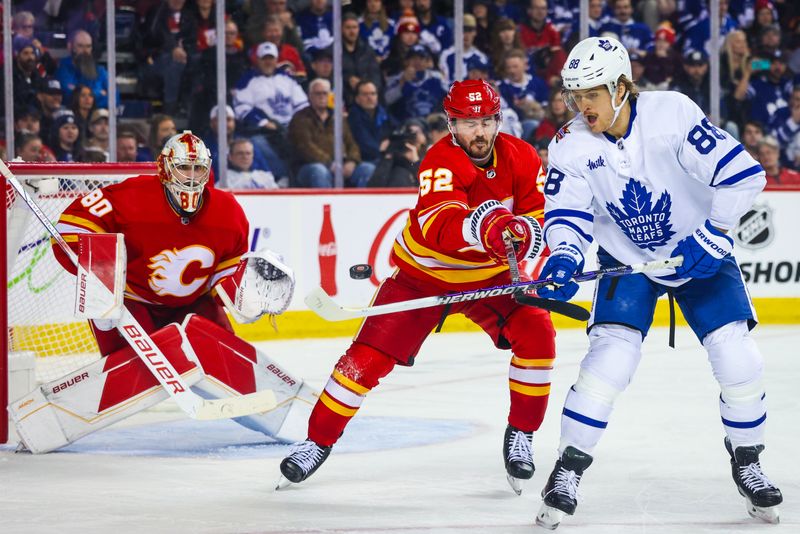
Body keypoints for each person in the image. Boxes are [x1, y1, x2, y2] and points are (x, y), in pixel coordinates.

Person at [534, 36, 783, 529]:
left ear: (622, 86)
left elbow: (743, 175)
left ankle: (748, 460)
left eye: (593, 93)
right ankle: (567, 470)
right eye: (574, 94)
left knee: (738, 357)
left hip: (699, 257)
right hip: (628, 264)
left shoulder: (671, 114)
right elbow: (567, 212)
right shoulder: (569, 144)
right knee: (609, 362)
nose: (583, 105)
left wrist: (712, 236)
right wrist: (563, 255)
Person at [278, 79, 557, 495]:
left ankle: (522, 434)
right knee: (364, 361)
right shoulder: (440, 160)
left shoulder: (522, 155)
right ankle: (316, 441)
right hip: (421, 277)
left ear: (498, 120)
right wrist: (494, 227)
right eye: (467, 123)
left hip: (492, 278)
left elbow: (542, 217)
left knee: (538, 336)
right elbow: (442, 225)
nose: (477, 132)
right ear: (451, 124)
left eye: (485, 121)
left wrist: (529, 233)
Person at [13, 131, 301, 454]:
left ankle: (294, 411)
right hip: (133, 305)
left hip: (192, 304)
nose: (191, 179)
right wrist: (103, 277)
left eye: (197, 170)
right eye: (183, 169)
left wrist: (248, 299)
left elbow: (225, 275)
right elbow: (69, 228)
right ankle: (44, 421)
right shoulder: (130, 195)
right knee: (131, 374)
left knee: (224, 361)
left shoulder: (229, 212)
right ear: (165, 169)